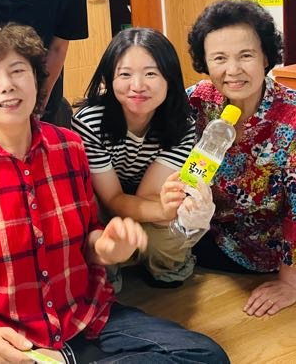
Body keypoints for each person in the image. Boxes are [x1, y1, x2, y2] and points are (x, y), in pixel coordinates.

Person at [0, 23, 230, 364]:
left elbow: (88, 237)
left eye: (18, 71)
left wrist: (107, 247)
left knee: (205, 356)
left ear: (37, 83)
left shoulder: (68, 147)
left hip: (81, 317)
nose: (7, 85)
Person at [187, 0, 296, 317]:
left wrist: (290, 284)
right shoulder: (198, 100)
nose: (233, 70)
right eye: (219, 58)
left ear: (266, 56)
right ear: (205, 62)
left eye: (246, 55)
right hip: (200, 228)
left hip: (259, 251)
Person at [72, 27, 212, 290]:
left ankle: (151, 260)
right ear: (109, 79)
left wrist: (170, 210)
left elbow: (149, 195)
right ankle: (111, 267)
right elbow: (113, 200)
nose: (137, 86)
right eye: (125, 74)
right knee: (100, 243)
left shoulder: (181, 124)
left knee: (167, 247)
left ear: (169, 78)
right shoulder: (90, 121)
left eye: (151, 73)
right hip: (103, 201)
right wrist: (162, 211)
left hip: (146, 199)